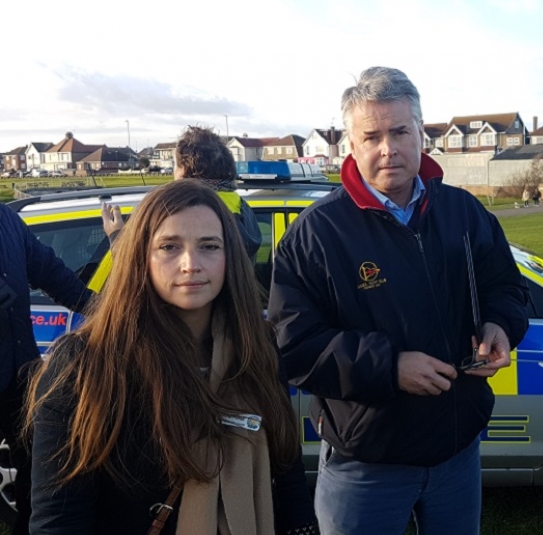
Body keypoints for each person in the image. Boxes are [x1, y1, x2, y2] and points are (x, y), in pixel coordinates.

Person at [268, 66, 528, 535]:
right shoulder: (317, 233)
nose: (387, 149)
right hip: (366, 462)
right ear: (351, 144)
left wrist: (500, 325)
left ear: (420, 135)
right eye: (371, 136)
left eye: (400, 132)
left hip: (456, 452)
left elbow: (507, 288)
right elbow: (295, 346)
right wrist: (390, 368)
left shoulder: (462, 211)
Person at [28, 180, 317, 534]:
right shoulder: (85, 362)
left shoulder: (256, 346)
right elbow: (58, 520)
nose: (190, 264)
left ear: (231, 257)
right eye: (169, 246)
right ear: (140, 257)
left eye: (209, 246)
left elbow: (286, 471)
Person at [0, 203, 93, 535]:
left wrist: (108, 313)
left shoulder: (7, 219)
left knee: (33, 473)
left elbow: (52, 274)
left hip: (21, 377)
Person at [102, 125, 262, 262]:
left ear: (184, 169)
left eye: (175, 165)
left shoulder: (178, 211)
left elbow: (137, 269)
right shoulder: (242, 208)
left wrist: (116, 236)